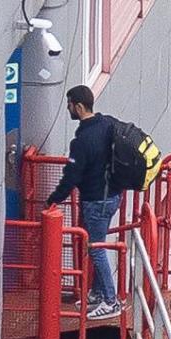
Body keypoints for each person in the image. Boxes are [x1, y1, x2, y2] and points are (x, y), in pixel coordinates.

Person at [45, 85, 123, 321]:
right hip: (113, 196)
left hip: (95, 200)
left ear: (78, 106)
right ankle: (99, 293)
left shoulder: (82, 141)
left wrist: (53, 199)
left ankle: (110, 300)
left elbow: (72, 176)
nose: (68, 108)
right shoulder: (108, 124)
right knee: (98, 245)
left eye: (69, 104)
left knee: (96, 249)